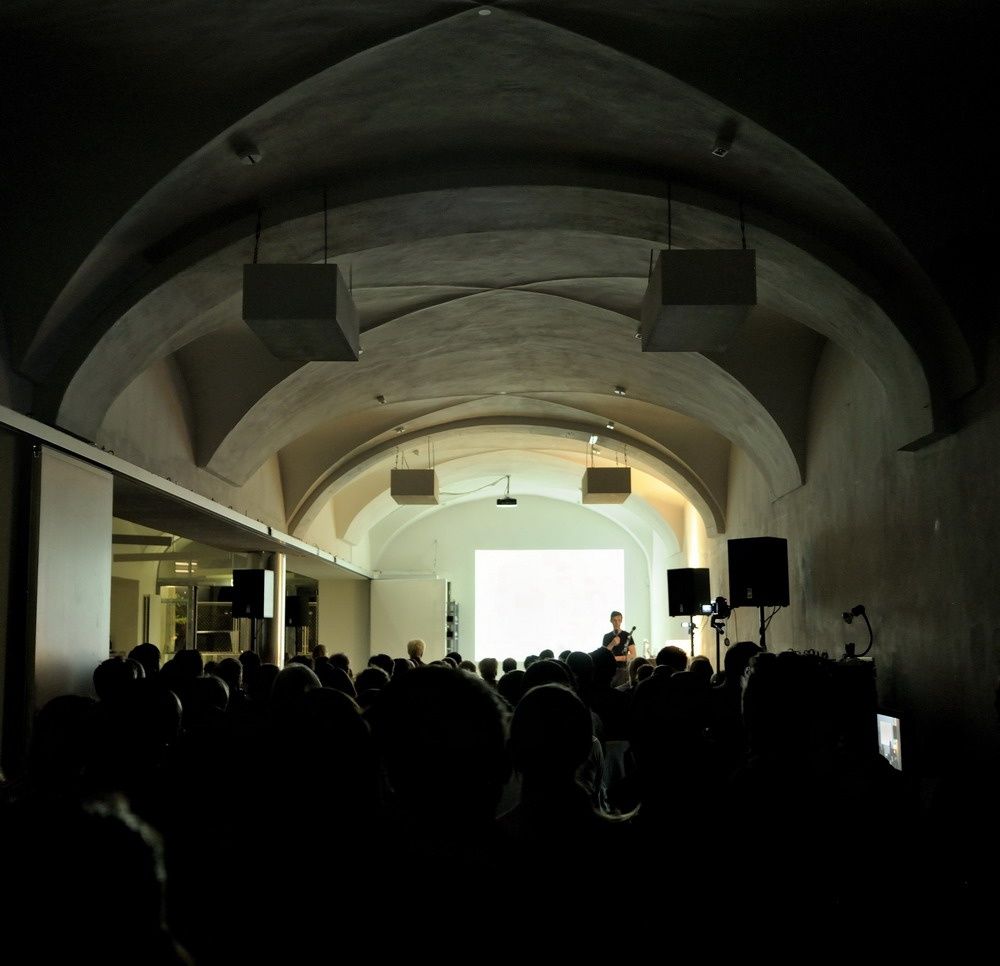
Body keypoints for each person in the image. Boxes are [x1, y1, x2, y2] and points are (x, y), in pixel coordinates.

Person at [602, 611, 635, 688]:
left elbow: (633, 655)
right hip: (609, 670)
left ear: (621, 620)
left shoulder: (627, 635)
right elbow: (603, 654)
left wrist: (616, 658)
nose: (617, 623)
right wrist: (612, 643)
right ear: (611, 621)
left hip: (623, 670)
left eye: (619, 620)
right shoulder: (606, 636)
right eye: (614, 620)